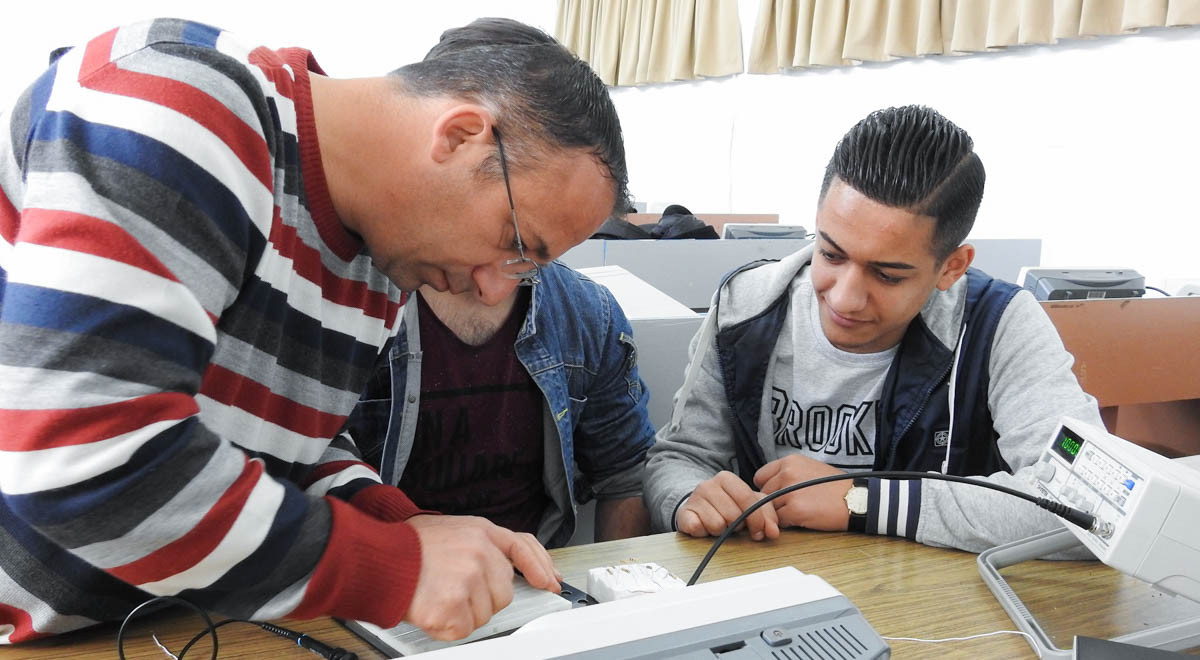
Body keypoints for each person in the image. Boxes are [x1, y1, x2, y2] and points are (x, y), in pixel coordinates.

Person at [0, 16, 626, 644]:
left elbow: (277, 445)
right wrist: (393, 568)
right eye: (515, 243)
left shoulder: (385, 256)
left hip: (157, 620)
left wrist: (398, 524)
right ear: (461, 135)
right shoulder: (181, 102)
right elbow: (80, 460)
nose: (493, 289)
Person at [643, 105, 1103, 554]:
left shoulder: (999, 324)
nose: (844, 298)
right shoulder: (744, 307)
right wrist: (688, 497)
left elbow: (1087, 504)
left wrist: (863, 500)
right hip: (770, 584)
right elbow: (680, 458)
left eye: (887, 275)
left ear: (952, 267)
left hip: (936, 598)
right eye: (830, 254)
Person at [345, 261, 655, 549]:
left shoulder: (586, 311)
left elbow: (625, 476)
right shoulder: (350, 300)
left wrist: (617, 586)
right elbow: (319, 468)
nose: (493, 291)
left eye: (536, 250)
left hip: (533, 573)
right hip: (383, 568)